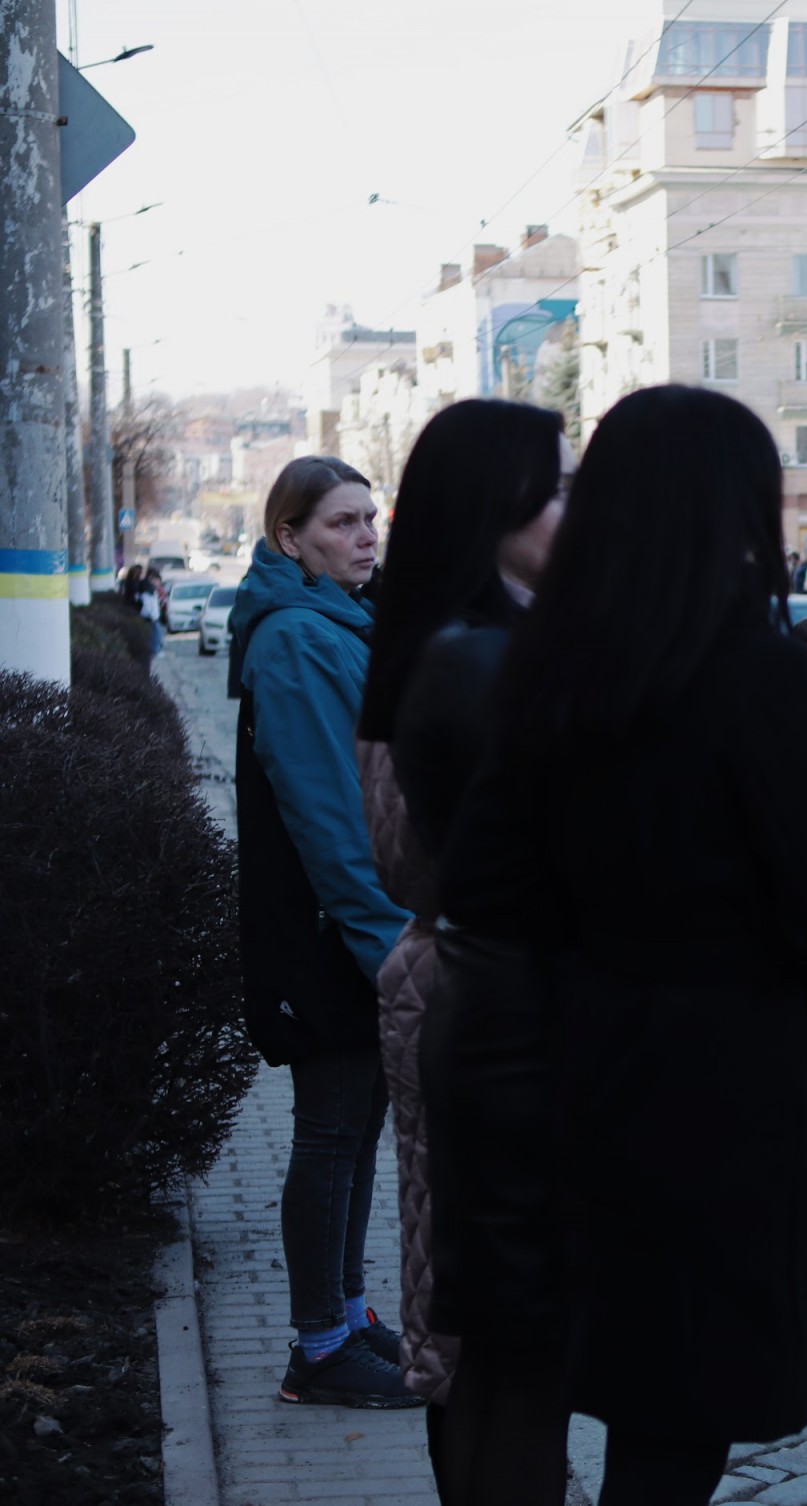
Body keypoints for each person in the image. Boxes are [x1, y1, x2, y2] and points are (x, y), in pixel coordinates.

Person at [436, 385, 807, 1504]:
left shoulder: (546, 671)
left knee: (636, 1388)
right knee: (684, 1421)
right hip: (735, 1091)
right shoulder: (758, 676)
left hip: (588, 1067)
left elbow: (480, 887)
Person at [353, 399, 573, 1502]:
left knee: (499, 1302)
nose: (576, 512)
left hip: (476, 986)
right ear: (495, 507)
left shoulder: (513, 635)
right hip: (471, 990)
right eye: (557, 489)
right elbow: (406, 860)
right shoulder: (455, 652)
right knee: (471, 1313)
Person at [228, 456, 418, 1408]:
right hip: (332, 935)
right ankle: (318, 1347)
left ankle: (346, 1315)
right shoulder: (298, 637)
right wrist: (389, 947)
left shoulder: (338, 620)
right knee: (332, 1134)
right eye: (341, 523)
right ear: (288, 538)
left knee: (356, 1130)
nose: (364, 537)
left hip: (354, 927)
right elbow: (333, 818)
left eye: (369, 519)